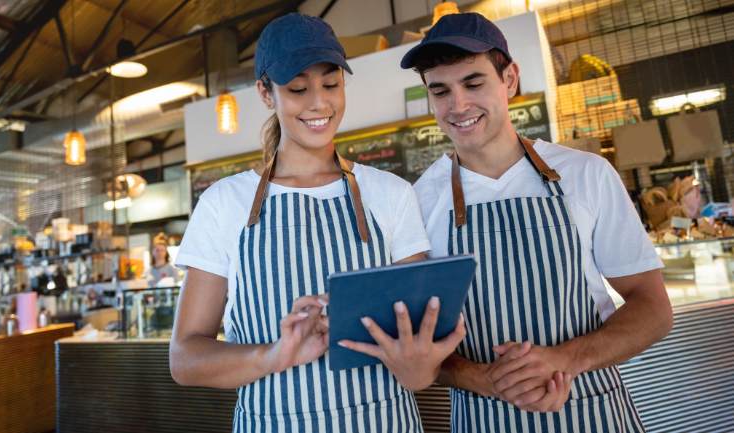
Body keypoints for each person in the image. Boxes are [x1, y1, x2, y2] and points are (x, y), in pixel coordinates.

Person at [169, 13, 465, 433]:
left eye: (331, 84)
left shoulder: (390, 193)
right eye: (297, 89)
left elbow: (419, 369)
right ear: (266, 94)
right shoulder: (224, 203)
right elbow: (184, 359)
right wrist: (276, 355)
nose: (318, 103)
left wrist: (419, 364)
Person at [400, 12, 673, 432]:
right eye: (441, 90)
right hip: (485, 416)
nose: (458, 106)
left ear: (509, 79)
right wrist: (487, 379)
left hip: (591, 410)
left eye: (474, 83)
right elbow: (417, 342)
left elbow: (653, 309)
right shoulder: (417, 202)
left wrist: (563, 360)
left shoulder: (587, 174)